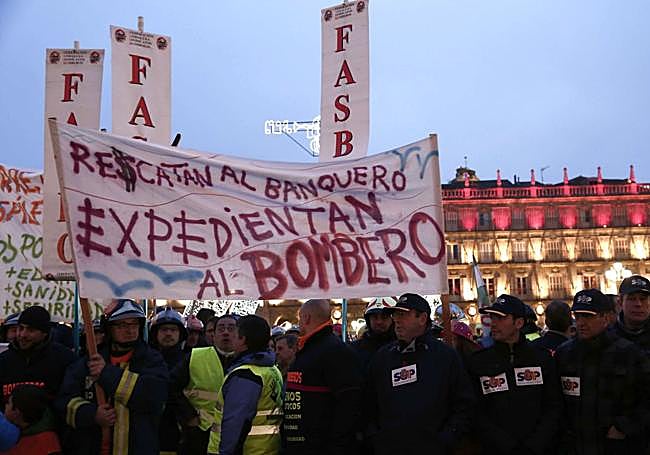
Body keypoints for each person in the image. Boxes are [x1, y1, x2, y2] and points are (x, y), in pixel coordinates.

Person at [364, 293, 475, 455]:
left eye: (403, 314)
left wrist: (446, 438)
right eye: (395, 314)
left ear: (422, 318)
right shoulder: (383, 357)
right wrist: (376, 438)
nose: (396, 320)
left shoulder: (445, 356)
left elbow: (464, 403)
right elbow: (368, 402)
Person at [55, 299, 168, 454]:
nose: (129, 330)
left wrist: (106, 373)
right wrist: (92, 414)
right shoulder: (89, 362)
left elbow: (153, 397)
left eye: (134, 324)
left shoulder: (151, 360)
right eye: (122, 325)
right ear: (109, 329)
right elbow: (63, 402)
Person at [556, 289, 650, 454]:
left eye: (588, 316)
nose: (581, 323)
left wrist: (623, 426)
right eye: (577, 316)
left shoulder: (628, 353)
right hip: (576, 445)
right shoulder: (564, 354)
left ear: (606, 318)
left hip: (617, 446)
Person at [467, 294, 562, 454]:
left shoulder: (541, 358)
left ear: (518, 323)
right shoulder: (479, 362)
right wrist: (503, 443)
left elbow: (554, 405)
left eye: (501, 318)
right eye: (492, 317)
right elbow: (475, 410)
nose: (494, 323)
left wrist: (536, 443)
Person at [283, 299, 362, 455]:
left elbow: (349, 403)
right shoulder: (310, 349)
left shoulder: (334, 351)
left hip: (320, 446)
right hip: (301, 445)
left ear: (306, 318)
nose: (299, 323)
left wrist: (336, 446)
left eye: (300, 318)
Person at [210, 315, 283, 455]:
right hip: (267, 448)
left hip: (246, 450)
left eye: (235, 334)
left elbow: (235, 422)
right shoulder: (272, 369)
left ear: (242, 339)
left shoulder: (246, 374)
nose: (231, 337)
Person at [169, 314, 237, 455]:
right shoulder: (195, 357)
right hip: (199, 434)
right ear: (213, 335)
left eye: (231, 328)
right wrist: (189, 417)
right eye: (221, 329)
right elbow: (171, 388)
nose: (226, 332)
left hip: (235, 434)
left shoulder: (247, 360)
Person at [0, 306, 75, 407]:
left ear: (44, 333)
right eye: (21, 328)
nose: (22, 335)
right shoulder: (3, 360)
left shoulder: (64, 359)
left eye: (30, 330)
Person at [149, 308, 187, 455]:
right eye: (164, 330)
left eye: (173, 330)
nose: (169, 334)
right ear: (155, 334)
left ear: (180, 334)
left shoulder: (189, 360)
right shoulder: (145, 360)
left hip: (179, 431)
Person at [1, 384, 61, 455]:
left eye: (8, 403)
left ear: (17, 412)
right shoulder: (51, 437)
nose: (5, 405)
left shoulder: (13, 445)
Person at [349, 297, 396, 371]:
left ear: (393, 320)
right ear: (368, 320)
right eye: (375, 317)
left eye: (384, 317)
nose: (379, 322)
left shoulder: (402, 347)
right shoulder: (354, 349)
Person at [612, 275, 650, 355]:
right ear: (620, 302)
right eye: (632, 299)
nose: (638, 304)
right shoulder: (606, 338)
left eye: (643, 299)